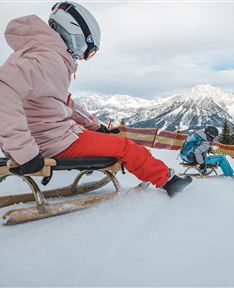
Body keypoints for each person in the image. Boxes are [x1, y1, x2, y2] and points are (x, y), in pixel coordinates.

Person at [0, 1, 192, 197]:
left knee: (116, 143)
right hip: (49, 142)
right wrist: (24, 151)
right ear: (76, 36)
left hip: (48, 138)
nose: (83, 56)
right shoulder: (48, 59)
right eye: (88, 50)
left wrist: (96, 126)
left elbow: (65, 103)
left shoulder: (43, 55)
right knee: (125, 147)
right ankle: (169, 181)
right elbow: (4, 90)